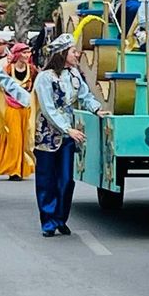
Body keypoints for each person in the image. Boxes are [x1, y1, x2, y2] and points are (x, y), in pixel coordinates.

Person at [33, 36, 106, 237]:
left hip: (67, 135)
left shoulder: (74, 74)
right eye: (74, 51)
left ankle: (60, 218)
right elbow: (48, 109)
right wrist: (68, 128)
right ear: (62, 54)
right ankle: (48, 221)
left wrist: (96, 109)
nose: (77, 54)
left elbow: (85, 95)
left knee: (66, 180)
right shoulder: (44, 78)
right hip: (48, 135)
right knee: (46, 179)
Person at [0, 42, 37, 180]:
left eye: (28, 52)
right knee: (14, 138)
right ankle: (14, 169)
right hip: (11, 107)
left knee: (26, 138)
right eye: (24, 52)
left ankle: (24, 167)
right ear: (17, 54)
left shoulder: (33, 70)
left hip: (27, 108)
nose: (27, 55)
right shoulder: (7, 69)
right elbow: (0, 87)